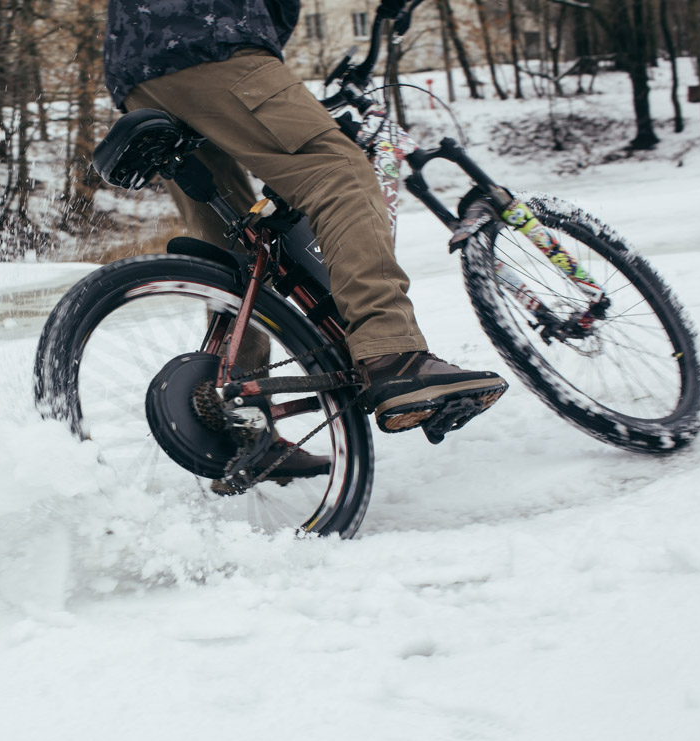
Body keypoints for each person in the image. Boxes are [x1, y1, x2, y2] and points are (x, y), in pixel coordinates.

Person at [103, 0, 509, 445]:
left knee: (233, 248)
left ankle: (241, 430)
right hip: (208, 39)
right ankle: (392, 353)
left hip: (135, 69)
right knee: (338, 172)